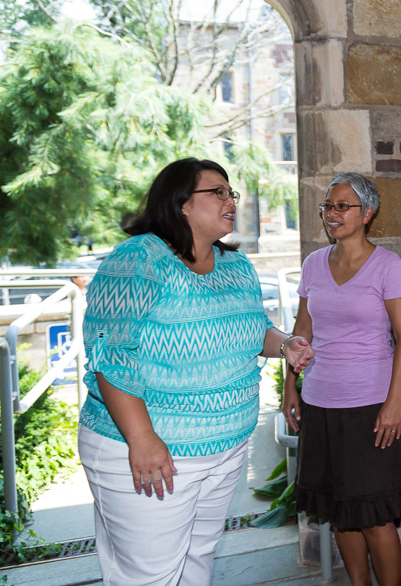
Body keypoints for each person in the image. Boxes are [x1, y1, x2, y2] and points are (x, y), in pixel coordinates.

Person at [78, 158, 314, 586]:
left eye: (231, 193)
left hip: (223, 449)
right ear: (182, 203)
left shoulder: (235, 267)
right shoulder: (139, 260)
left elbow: (252, 329)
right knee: (149, 577)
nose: (230, 201)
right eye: (217, 192)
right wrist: (143, 438)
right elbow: (110, 355)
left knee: (197, 560)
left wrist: (285, 344)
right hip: (155, 452)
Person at [281, 173, 401, 586]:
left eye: (343, 206)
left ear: (367, 213)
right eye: (328, 206)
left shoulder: (387, 266)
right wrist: (291, 386)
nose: (332, 214)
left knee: (374, 518)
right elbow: (300, 332)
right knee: (339, 509)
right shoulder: (313, 265)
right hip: (320, 403)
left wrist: (394, 404)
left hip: (370, 407)